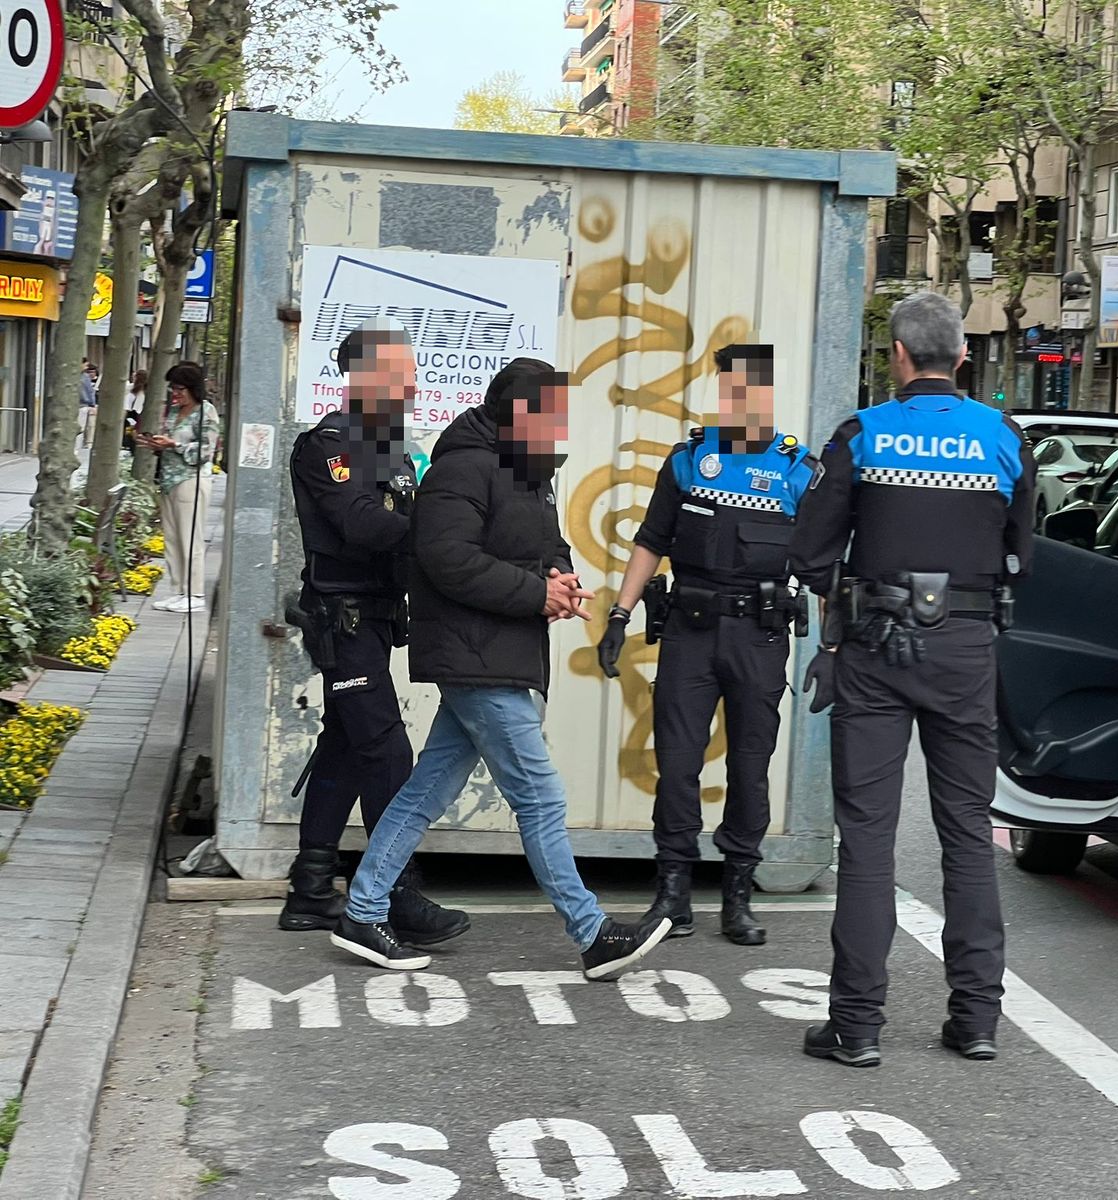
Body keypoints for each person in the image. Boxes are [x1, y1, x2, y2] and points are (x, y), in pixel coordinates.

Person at [332, 358, 672, 980]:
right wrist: (532, 594)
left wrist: (558, 577)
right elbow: (445, 556)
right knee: (540, 796)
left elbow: (539, 544)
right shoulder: (462, 467)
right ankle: (593, 933)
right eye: (552, 415)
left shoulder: (524, 472)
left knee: (426, 791)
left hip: (497, 652)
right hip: (476, 655)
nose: (560, 427)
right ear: (521, 411)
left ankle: (362, 908)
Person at [789, 291, 1036, 1068]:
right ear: (962, 357)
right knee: (967, 831)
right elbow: (1023, 554)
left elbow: (808, 553)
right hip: (965, 647)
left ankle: (857, 1025)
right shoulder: (1004, 437)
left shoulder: (861, 434)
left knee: (867, 837)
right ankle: (976, 1020)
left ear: (897, 355)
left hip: (875, 645)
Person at [596, 344, 817, 946]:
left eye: (745, 392)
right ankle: (673, 893)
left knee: (750, 766)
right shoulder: (691, 459)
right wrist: (619, 614)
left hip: (759, 635)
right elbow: (651, 538)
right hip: (691, 632)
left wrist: (836, 642)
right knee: (677, 763)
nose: (733, 403)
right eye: (726, 391)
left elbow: (824, 562)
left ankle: (738, 895)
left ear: (768, 396)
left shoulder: (798, 470)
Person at [280, 318, 464, 947]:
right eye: (401, 371)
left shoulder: (392, 449)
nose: (413, 381)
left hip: (378, 618)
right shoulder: (326, 445)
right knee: (386, 750)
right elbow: (360, 522)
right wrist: (438, 537)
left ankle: (310, 890)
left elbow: (408, 520)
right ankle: (395, 893)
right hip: (343, 620)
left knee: (347, 744)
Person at [137, 364, 219, 614]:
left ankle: (195, 594)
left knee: (190, 538)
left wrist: (174, 445)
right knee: (172, 539)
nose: (175, 393)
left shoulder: (206, 412)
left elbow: (206, 452)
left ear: (193, 388)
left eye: (179, 388)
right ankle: (179, 591)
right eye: (172, 388)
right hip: (169, 481)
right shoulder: (173, 411)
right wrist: (156, 444)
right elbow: (172, 443)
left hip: (191, 481)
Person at [79, 361, 98, 449]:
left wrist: (92, 405)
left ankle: (78, 447)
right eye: (85, 365)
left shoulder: (85, 376)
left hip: (83, 404)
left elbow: (90, 392)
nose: (86, 368)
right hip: (81, 403)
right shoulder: (83, 377)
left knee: (81, 427)